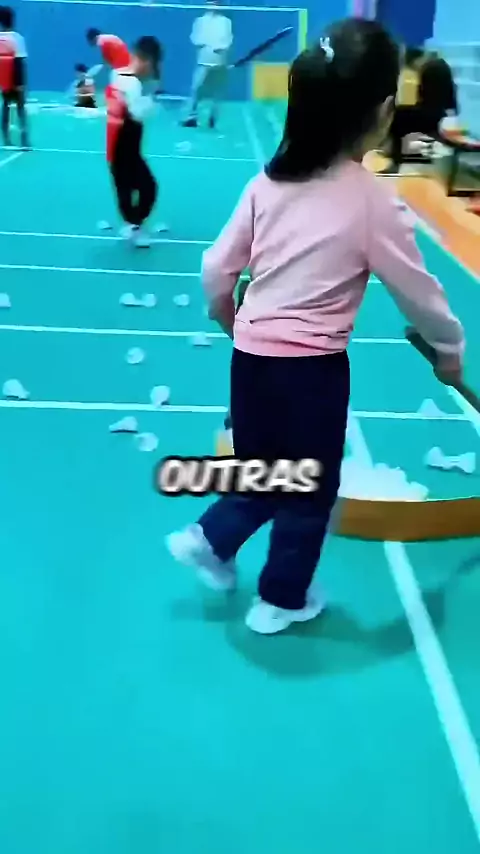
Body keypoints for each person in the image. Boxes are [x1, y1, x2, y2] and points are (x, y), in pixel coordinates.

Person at [166, 19, 465, 636]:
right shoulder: (372, 201)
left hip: (251, 360)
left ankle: (210, 540)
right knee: (309, 488)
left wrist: (230, 319)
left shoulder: (267, 183)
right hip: (311, 373)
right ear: (382, 112)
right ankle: (282, 597)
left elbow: (216, 270)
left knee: (265, 468)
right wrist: (449, 349)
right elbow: (419, 294)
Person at [106, 36, 162, 248]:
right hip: (123, 146)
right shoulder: (131, 83)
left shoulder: (119, 73)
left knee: (134, 189)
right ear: (147, 61)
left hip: (123, 145)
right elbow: (138, 113)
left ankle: (133, 224)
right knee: (145, 188)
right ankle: (134, 226)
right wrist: (151, 102)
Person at [382, 47, 458, 174]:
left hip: (429, 116)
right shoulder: (444, 67)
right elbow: (451, 98)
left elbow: (421, 97)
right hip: (441, 115)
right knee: (402, 114)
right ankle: (396, 154)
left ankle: (395, 161)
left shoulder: (427, 69)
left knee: (397, 117)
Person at [182, 0, 232, 129]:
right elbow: (195, 38)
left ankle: (213, 118)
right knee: (196, 88)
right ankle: (192, 117)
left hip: (219, 61)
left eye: (216, 3)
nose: (213, 5)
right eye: (210, 2)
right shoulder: (200, 21)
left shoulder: (226, 22)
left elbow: (228, 40)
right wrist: (205, 45)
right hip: (203, 60)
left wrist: (219, 47)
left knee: (217, 92)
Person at [0, 6, 30, 149]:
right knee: (20, 107)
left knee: (6, 105)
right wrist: (21, 83)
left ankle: (6, 138)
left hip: (3, 77)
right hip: (16, 76)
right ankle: (24, 139)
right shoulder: (17, 38)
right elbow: (19, 61)